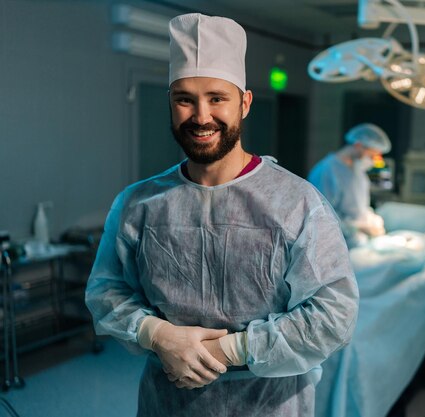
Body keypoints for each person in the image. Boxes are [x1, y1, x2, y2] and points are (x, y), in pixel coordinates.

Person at [85, 13, 358, 417]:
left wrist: (231, 349)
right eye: (185, 99)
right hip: (168, 403)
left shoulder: (297, 203)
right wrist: (157, 335)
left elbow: (334, 313)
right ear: (171, 104)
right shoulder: (136, 205)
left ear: (244, 103)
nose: (201, 116)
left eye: (217, 98)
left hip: (270, 404)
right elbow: (106, 292)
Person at [308, 123, 391, 248]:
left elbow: (358, 206)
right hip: (335, 246)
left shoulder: (358, 170)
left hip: (358, 243)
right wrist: (357, 228)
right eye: (371, 155)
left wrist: (371, 219)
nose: (373, 160)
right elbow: (321, 217)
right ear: (358, 145)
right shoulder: (327, 171)